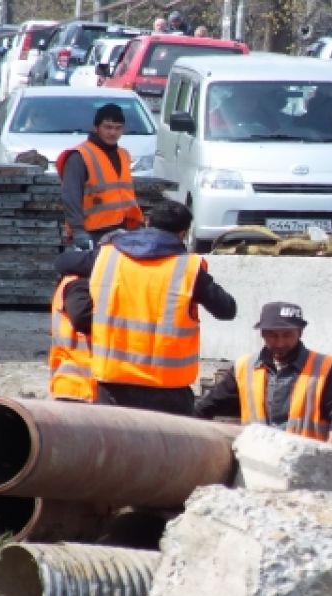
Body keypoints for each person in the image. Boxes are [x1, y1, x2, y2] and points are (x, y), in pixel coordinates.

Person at [58, 200, 237, 415]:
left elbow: (63, 263)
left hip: (114, 383)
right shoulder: (188, 269)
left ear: (147, 222)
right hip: (168, 388)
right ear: (183, 234)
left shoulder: (107, 256)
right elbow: (227, 310)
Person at [194, 302, 332, 446]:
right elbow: (206, 407)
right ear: (262, 333)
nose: (280, 343)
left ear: (300, 333)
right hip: (259, 463)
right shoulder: (243, 368)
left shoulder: (326, 367)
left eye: (287, 335)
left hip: (309, 465)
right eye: (273, 335)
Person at [56, 103, 144, 250]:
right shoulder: (80, 156)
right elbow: (71, 196)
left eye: (118, 128)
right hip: (93, 232)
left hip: (122, 228)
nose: (113, 133)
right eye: (108, 127)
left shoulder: (123, 155)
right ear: (96, 128)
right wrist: (78, 230)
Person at [47, 270, 96, 402]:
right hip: (79, 388)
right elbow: (82, 319)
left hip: (73, 386)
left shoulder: (74, 281)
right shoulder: (78, 284)